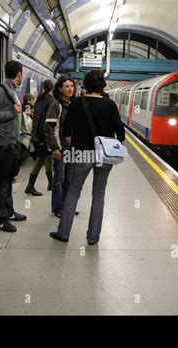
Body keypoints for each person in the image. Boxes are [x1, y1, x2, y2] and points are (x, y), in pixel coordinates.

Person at [49, 70, 125, 245]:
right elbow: (120, 135)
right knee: (99, 194)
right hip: (104, 155)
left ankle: (63, 233)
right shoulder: (110, 105)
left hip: (82, 153)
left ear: (85, 85)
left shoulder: (76, 103)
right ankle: (93, 237)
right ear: (103, 86)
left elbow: (66, 131)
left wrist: (76, 143)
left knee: (73, 192)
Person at [0, 60, 27, 233]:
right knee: (1, 183)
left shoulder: (12, 91)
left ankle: (8, 211)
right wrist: (11, 113)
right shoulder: (0, 91)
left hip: (9, 143)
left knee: (7, 180)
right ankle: (0, 218)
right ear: (19, 74)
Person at [44, 75, 78, 218]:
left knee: (69, 178)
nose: (70, 89)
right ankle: (57, 208)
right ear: (60, 88)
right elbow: (49, 127)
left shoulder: (73, 104)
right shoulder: (56, 104)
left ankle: (67, 205)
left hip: (72, 147)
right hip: (61, 147)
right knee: (59, 179)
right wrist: (54, 147)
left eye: (71, 86)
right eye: (66, 86)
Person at [24, 80, 54, 196]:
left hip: (36, 134)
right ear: (52, 88)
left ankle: (49, 184)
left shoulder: (38, 100)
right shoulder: (51, 100)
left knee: (45, 158)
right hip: (44, 135)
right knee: (44, 158)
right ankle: (32, 186)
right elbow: (48, 119)